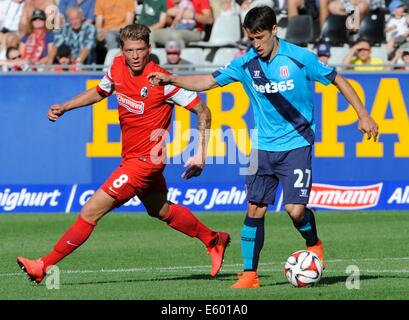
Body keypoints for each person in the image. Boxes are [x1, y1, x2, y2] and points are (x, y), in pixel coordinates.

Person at [148, 5, 379, 288]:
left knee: (295, 210)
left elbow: (338, 80)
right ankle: (250, 275)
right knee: (254, 208)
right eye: (251, 38)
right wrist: (172, 78)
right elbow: (207, 82)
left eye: (260, 37)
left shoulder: (299, 58)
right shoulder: (245, 64)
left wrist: (363, 115)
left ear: (274, 31)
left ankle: (313, 242)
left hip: (297, 143)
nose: (256, 44)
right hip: (261, 147)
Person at [17, 23, 230, 284]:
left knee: (90, 211)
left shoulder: (161, 80)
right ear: (122, 50)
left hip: (144, 163)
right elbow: (99, 92)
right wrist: (66, 106)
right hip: (131, 158)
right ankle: (214, 239)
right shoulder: (117, 67)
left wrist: (201, 154)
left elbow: (204, 111)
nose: (136, 56)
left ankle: (43, 265)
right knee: (159, 209)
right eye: (130, 50)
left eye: (141, 50)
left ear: (149, 49)